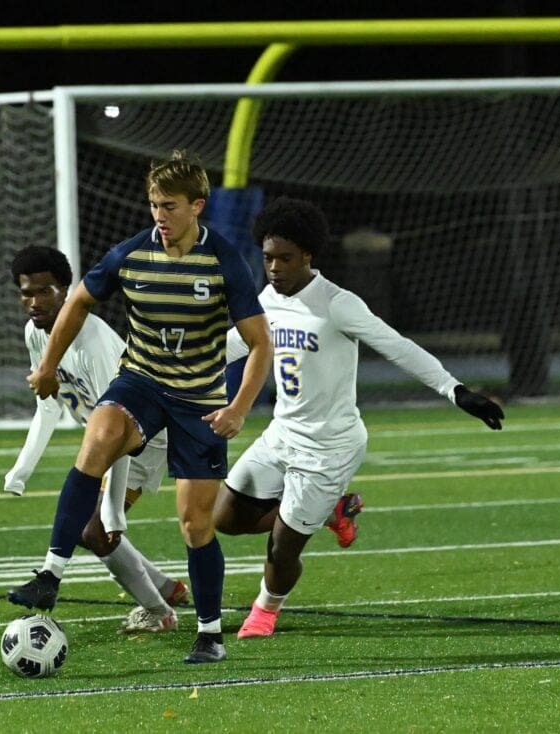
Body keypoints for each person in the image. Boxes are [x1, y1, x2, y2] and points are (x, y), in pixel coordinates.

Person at [9, 150, 273, 664]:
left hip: (198, 399)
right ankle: (50, 573)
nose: (159, 216)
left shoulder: (223, 261)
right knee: (99, 436)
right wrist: (47, 368)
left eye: (169, 206)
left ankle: (210, 633)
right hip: (142, 383)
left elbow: (259, 342)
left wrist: (239, 407)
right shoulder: (131, 254)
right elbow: (80, 299)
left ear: (198, 205)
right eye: (153, 204)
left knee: (196, 524)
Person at [216, 197, 504, 639]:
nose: (274, 267)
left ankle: (265, 611)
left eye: (285, 258)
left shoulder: (337, 304)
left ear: (308, 255)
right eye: (268, 257)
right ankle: (328, 511)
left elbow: (397, 345)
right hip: (281, 435)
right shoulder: (268, 298)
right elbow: (238, 344)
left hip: (330, 447)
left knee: (283, 546)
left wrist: (455, 389)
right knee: (225, 518)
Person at [4, 245, 190, 632]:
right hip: (111, 438)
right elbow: (49, 405)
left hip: (146, 434)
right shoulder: (36, 334)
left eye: (45, 292)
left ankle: (160, 614)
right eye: (26, 293)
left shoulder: (93, 342)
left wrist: (113, 511)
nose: (34, 302)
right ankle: (166, 588)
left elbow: (120, 426)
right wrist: (21, 470)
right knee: (92, 528)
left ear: (66, 290)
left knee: (96, 529)